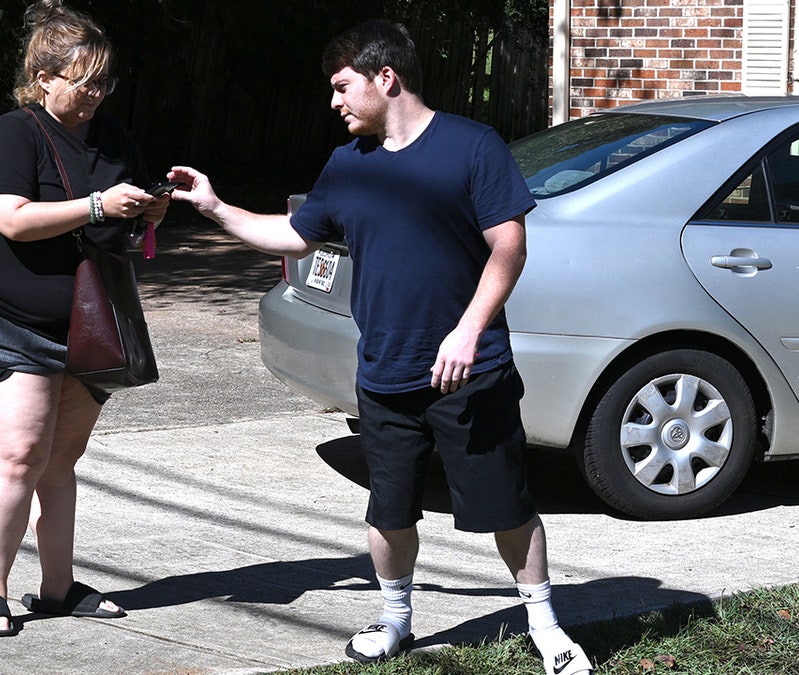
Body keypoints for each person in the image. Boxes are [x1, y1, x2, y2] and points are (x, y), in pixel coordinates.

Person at [168, 19, 593, 675]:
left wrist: (468, 328)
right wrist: (215, 206)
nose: (334, 102)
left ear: (384, 77)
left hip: (470, 372)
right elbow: (293, 237)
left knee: (505, 505)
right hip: (385, 375)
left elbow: (510, 246)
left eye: (342, 87)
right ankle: (395, 617)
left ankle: (545, 623)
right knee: (389, 510)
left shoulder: (472, 147)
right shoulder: (347, 166)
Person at [0, 1, 169, 637]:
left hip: (87, 328)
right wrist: (100, 205)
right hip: (14, 318)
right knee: (21, 454)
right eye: (86, 83)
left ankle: (57, 588)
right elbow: (13, 219)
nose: (97, 95)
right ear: (44, 77)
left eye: (105, 83)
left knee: (60, 462)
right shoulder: (10, 134)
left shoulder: (112, 138)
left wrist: (150, 212)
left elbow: (117, 221)